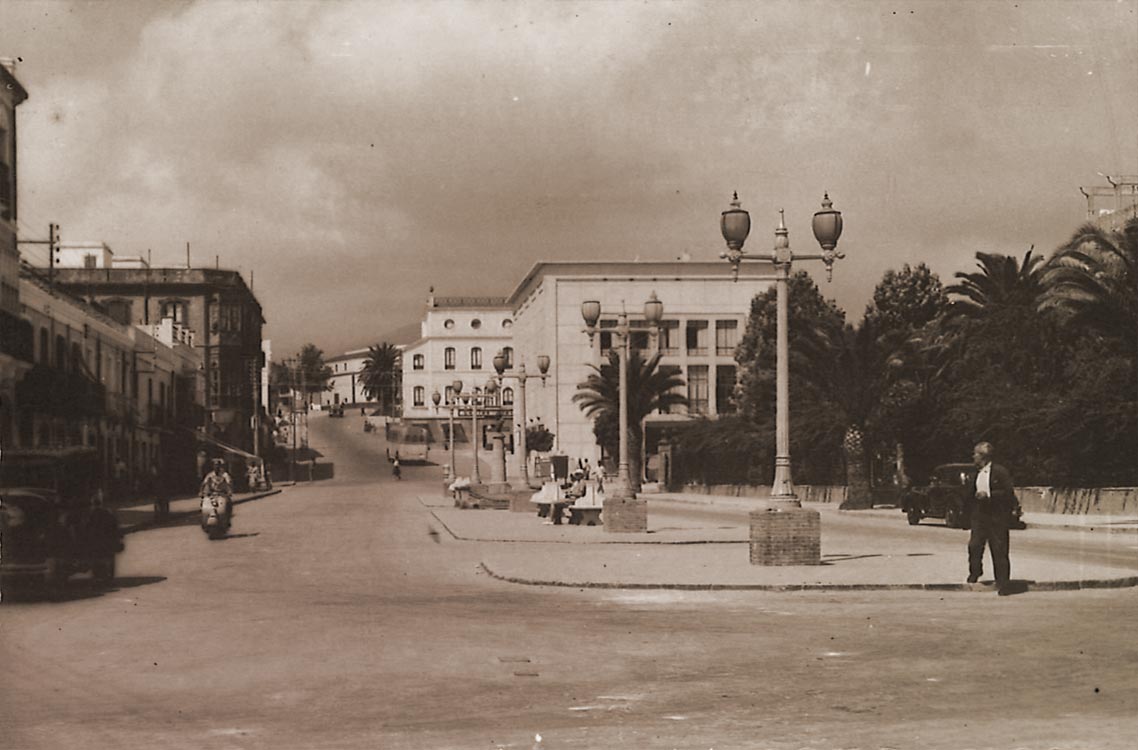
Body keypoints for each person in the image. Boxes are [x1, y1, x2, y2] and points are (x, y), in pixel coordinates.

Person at [966, 442, 1016, 594]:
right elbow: (969, 495)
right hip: (979, 517)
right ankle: (975, 572)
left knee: (999, 549)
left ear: (983, 456)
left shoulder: (1000, 472)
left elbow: (1008, 492)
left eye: (975, 454)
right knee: (974, 546)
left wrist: (989, 495)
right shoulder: (975, 473)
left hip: (996, 517)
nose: (973, 457)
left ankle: (1003, 583)